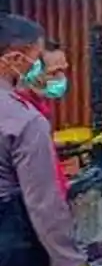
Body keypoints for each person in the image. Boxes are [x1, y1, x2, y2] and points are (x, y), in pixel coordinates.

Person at [0, 14, 95, 266]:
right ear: (15, 59)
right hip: (11, 233)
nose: (41, 70)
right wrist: (71, 265)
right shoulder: (23, 120)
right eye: (39, 60)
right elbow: (44, 203)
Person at [14, 38, 71, 199]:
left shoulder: (38, 106)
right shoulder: (18, 113)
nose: (61, 78)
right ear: (33, 71)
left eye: (63, 71)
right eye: (54, 72)